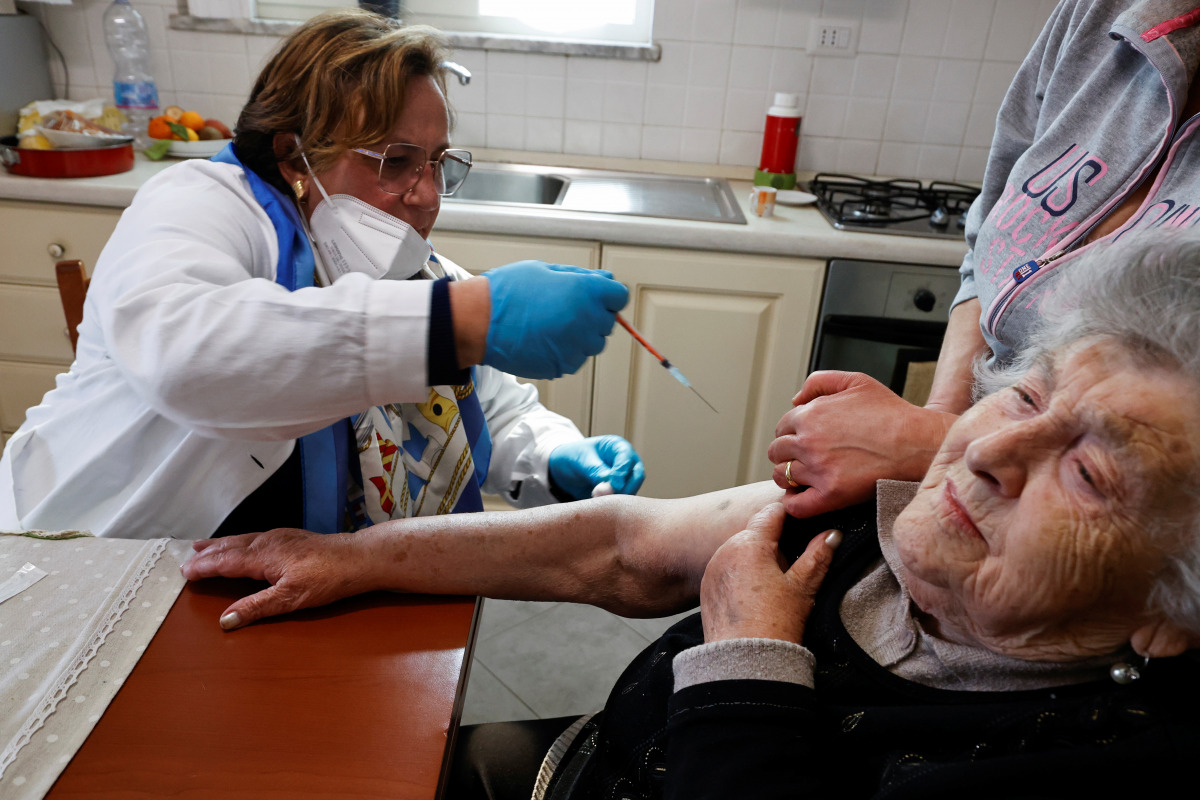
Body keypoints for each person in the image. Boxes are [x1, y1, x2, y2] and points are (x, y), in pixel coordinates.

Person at [182, 232, 1200, 797]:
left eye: (1092, 474)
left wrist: (751, 656)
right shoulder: (884, 518)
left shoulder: (1085, 763)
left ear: (1171, 607)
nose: (983, 449)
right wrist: (354, 557)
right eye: (1024, 394)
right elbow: (620, 547)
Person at [0, 10, 645, 540]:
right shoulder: (202, 202)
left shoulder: (414, 275)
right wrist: (461, 322)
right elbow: (189, 356)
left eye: (438, 162)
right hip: (86, 562)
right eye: (395, 162)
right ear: (294, 156)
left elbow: (491, 412)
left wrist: (555, 456)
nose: (426, 196)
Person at [769, 0, 1200, 519]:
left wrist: (928, 441)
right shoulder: (1099, 13)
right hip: (970, 466)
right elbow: (991, 231)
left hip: (1079, 537)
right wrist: (937, 422)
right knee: (654, 550)